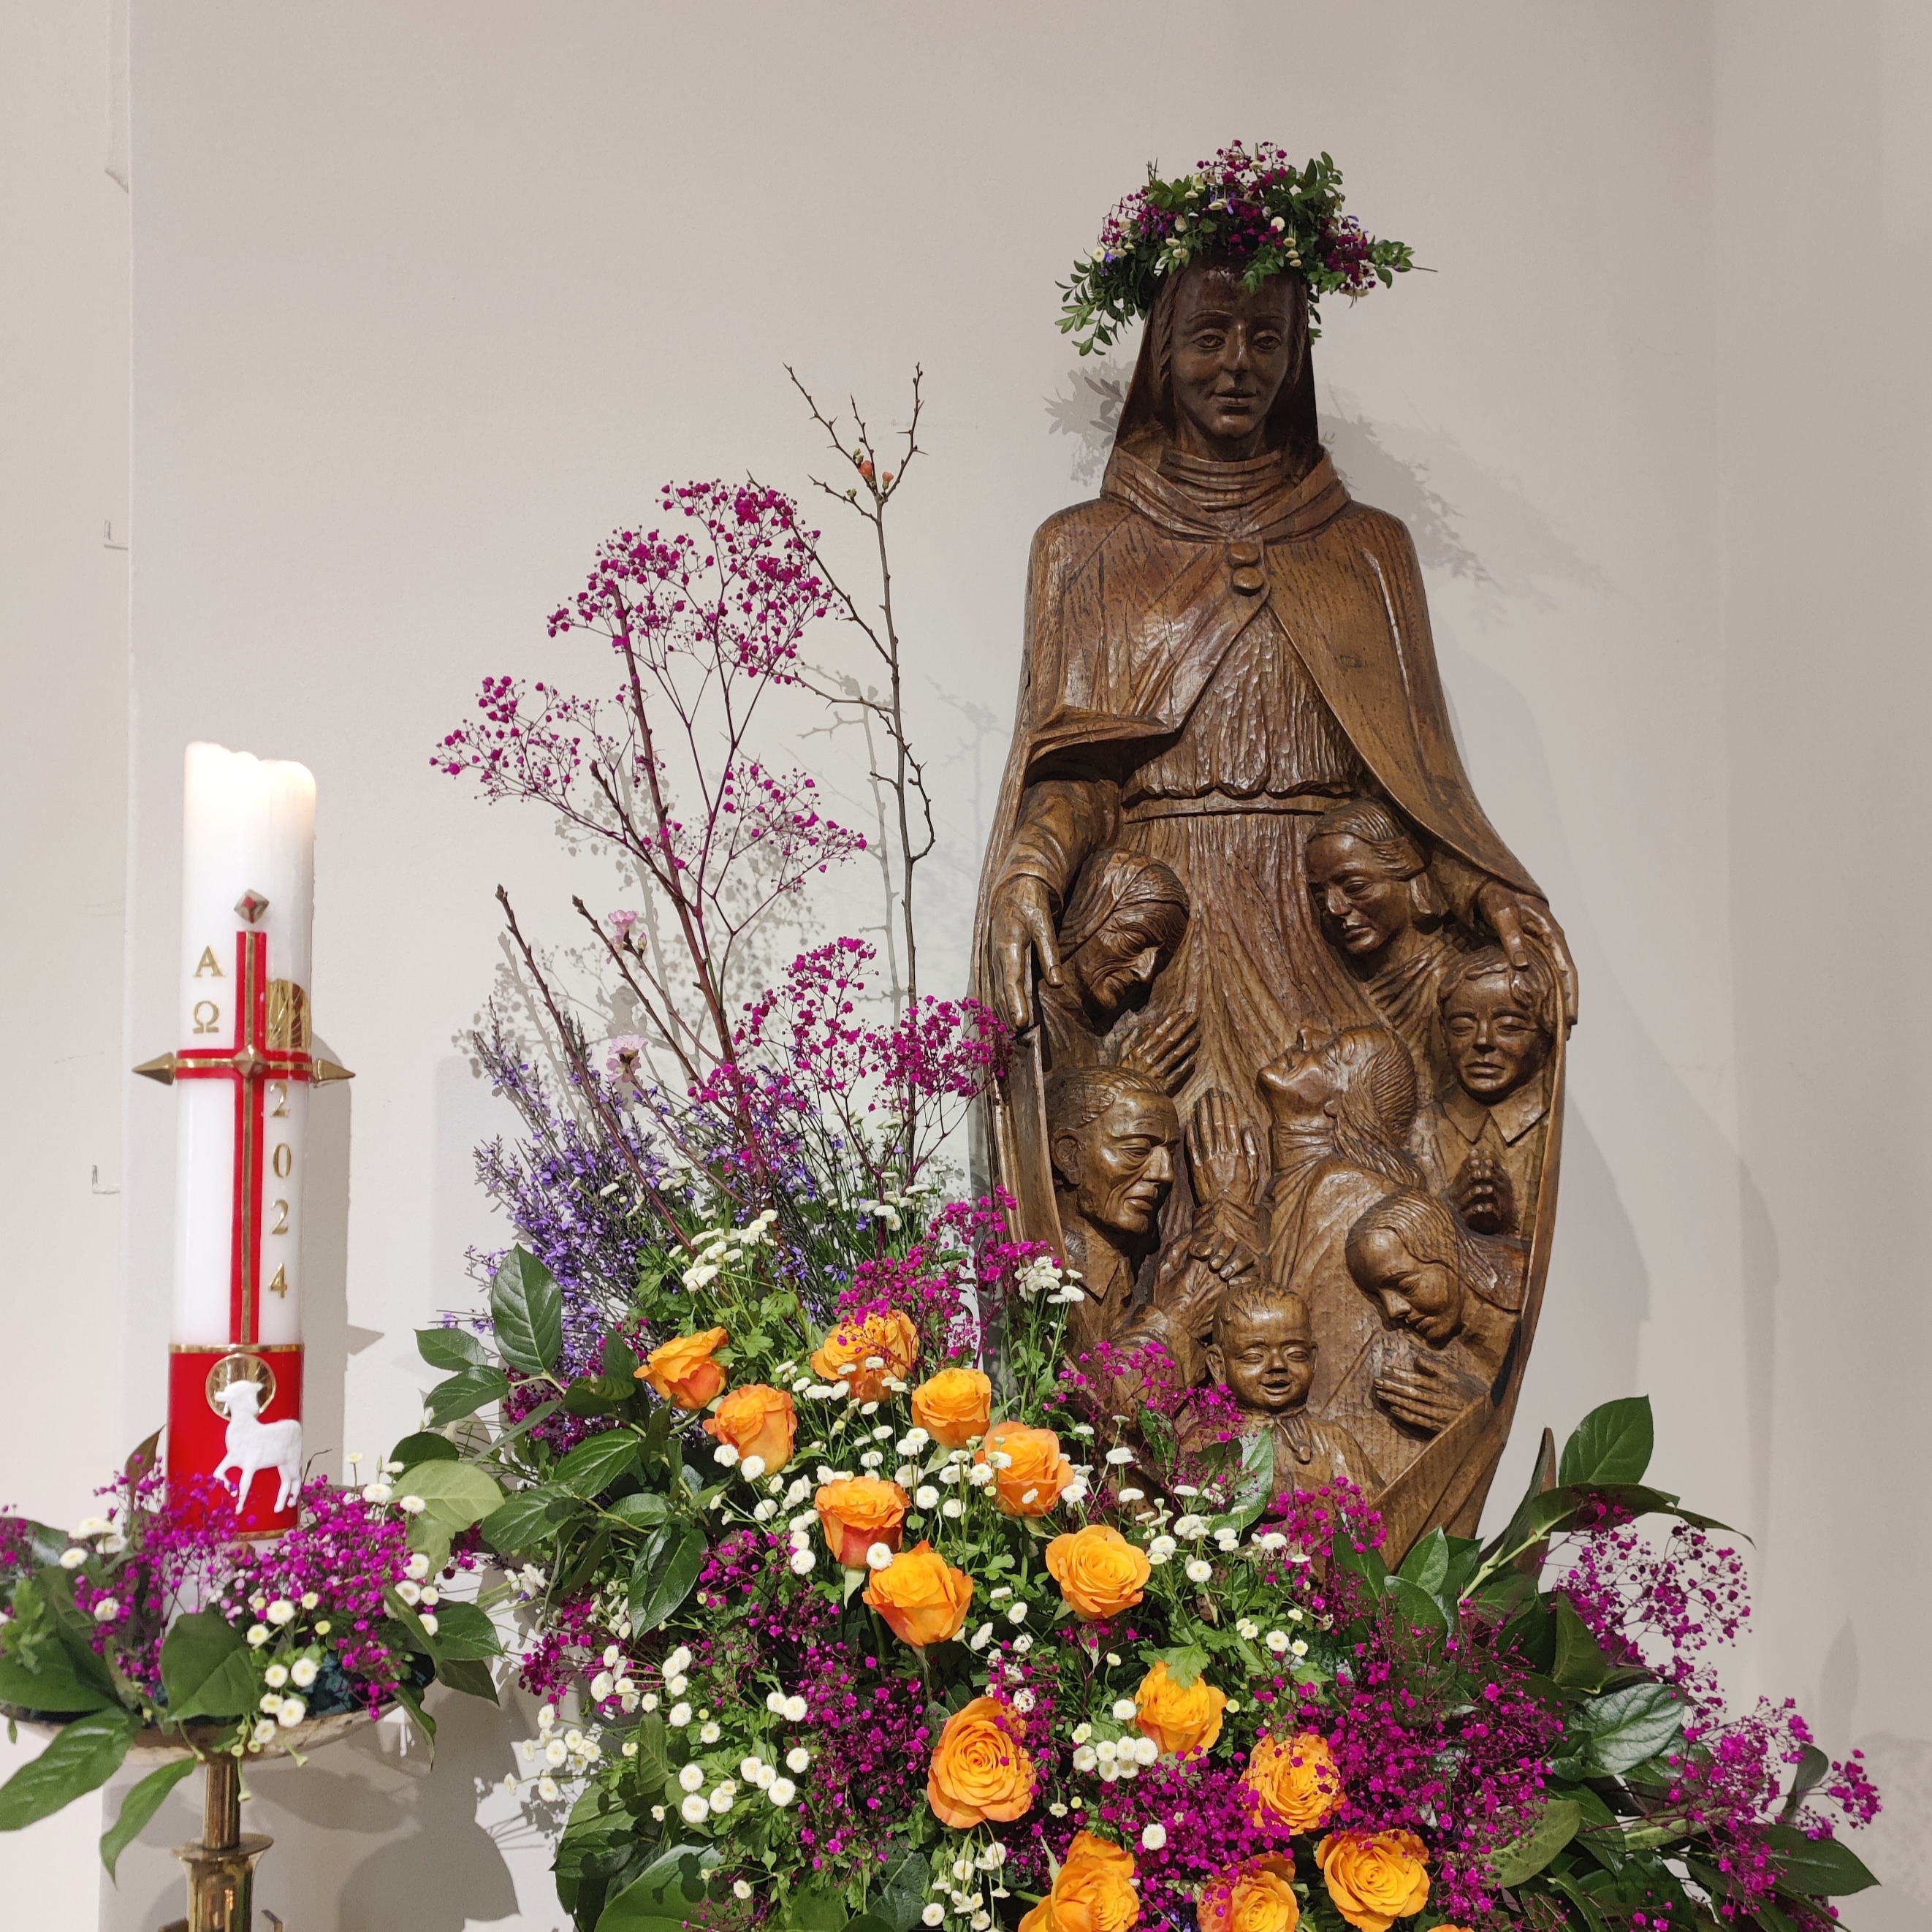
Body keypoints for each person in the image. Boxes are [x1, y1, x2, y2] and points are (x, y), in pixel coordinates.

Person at [975, 243, 1575, 1271]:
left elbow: (1418, 785)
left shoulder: (1367, 551)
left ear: (1298, 358)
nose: (1238, 363)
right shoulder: (1086, 547)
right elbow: (1076, 773)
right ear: (1161, 355)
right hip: (1167, 940)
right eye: (1207, 336)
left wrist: (1491, 892)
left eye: (1267, 338)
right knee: (1176, 1215)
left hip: (1322, 937)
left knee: (1348, 1208)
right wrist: (1030, 868)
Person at [1305, 798, 1467, 1091]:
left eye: (1355, 888)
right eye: (1320, 897)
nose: (1333, 908)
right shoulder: (1342, 984)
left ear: (1406, 875)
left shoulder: (1458, 985)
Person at [1343, 1187, 1524, 1444]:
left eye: (1405, 1286)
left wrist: (1482, 1416)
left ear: (1448, 1253)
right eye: (1379, 1298)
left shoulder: (1534, 1299)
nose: (1393, 1311)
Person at [1414, 946, 1557, 1237]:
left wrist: (1512, 1220)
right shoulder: (1421, 1130)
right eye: (1462, 1026)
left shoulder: (1549, 1131)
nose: (1483, 1041)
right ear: (1443, 1030)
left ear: (1545, 1033)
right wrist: (1448, 1206)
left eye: (1509, 1026)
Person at [1043, 1064, 1180, 1354]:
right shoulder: (1048, 1279)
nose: (1165, 1173)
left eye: (1170, 1154)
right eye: (1137, 1151)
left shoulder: (1122, 1271)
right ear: (1069, 1155)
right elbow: (1086, 1388)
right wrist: (1179, 1320)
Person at [1038, 848, 1197, 1093]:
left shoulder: (1093, 1032)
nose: (1146, 974)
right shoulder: (1032, 1017)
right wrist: (1124, 1087)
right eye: (1136, 941)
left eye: (1160, 961)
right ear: (1087, 919)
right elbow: (1032, 1119)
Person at [1195, 1286, 1380, 1496]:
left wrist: (1296, 1489)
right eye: (1255, 1356)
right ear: (1219, 1366)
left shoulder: (1333, 1441)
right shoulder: (1205, 1440)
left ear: (1312, 1360)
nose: (1277, 1365)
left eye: (1295, 1354)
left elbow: (1373, 1515)